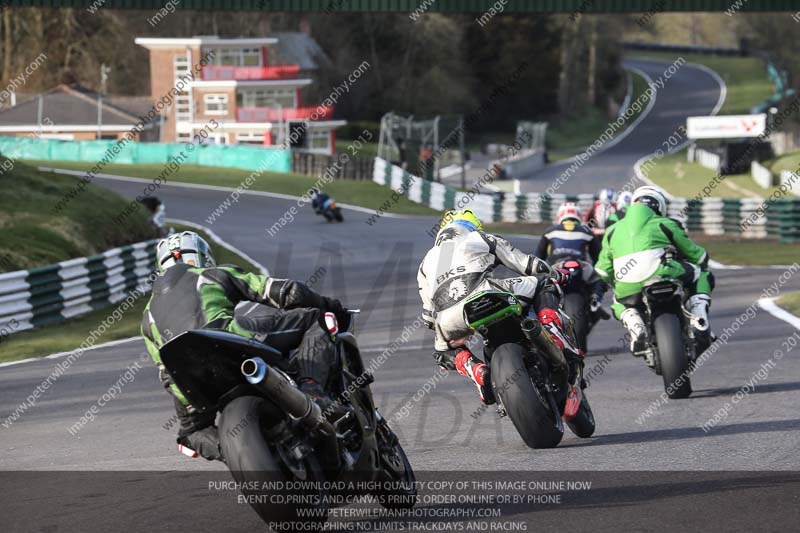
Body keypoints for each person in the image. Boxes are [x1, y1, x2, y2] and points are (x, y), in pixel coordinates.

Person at [140, 231, 348, 461]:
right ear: (202, 256)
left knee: (191, 434)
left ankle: (234, 452)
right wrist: (331, 305)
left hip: (190, 378)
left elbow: (165, 373)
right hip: (230, 342)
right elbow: (287, 292)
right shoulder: (212, 274)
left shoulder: (146, 317)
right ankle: (313, 390)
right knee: (316, 318)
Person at [417, 209, 578, 405]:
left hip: (449, 318)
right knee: (545, 282)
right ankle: (551, 329)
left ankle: (476, 370)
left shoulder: (426, 262)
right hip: (487, 294)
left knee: (442, 352)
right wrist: (557, 274)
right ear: (472, 226)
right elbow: (528, 265)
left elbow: (427, 317)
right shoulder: (478, 238)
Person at [594, 186, 714, 354]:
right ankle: (699, 316)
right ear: (659, 206)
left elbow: (603, 271)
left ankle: (636, 326)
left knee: (618, 300)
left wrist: (617, 279)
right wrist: (702, 259)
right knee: (702, 274)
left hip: (627, 284)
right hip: (661, 272)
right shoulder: (666, 223)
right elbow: (697, 256)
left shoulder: (612, 230)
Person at [536, 202, 609, 319]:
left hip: (557, 267)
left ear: (560, 215)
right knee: (597, 280)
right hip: (581, 266)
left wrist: (538, 274)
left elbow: (539, 256)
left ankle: (541, 307)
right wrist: (600, 278)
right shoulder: (587, 231)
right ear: (578, 216)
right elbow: (598, 257)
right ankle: (596, 300)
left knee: (539, 285)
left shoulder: (550, 231)